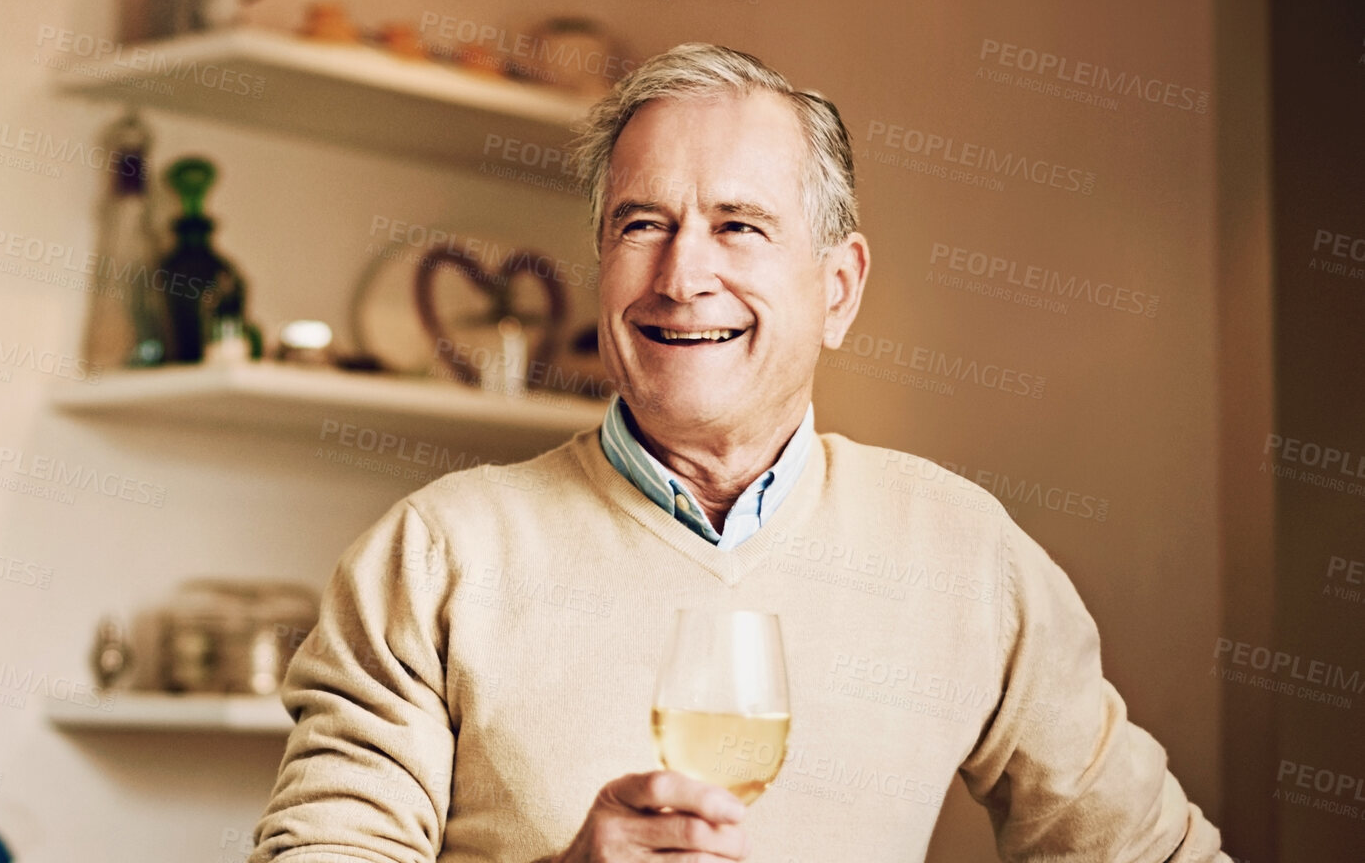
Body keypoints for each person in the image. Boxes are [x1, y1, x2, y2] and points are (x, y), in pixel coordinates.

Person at [248, 43, 1226, 863]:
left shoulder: (963, 548)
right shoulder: (431, 552)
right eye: (642, 225)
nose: (681, 276)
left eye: (737, 226)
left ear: (836, 289)